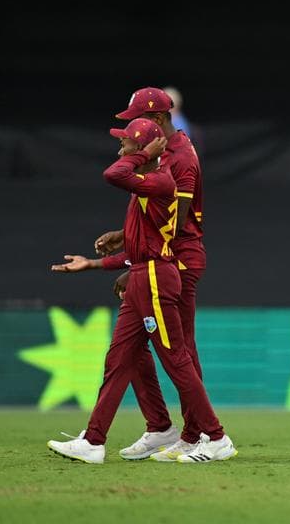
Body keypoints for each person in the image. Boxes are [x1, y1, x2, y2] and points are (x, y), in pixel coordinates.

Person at [46, 118, 235, 464]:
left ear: (144, 149)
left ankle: (217, 437)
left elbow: (113, 174)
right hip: (143, 276)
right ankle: (93, 440)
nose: (120, 149)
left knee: (176, 360)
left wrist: (144, 152)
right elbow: (138, 247)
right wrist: (90, 264)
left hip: (155, 280)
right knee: (119, 359)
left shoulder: (160, 182)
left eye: (125, 144)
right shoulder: (146, 185)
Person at [92, 86, 211, 461]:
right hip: (156, 260)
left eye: (137, 122)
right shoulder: (167, 152)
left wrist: (136, 265)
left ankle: (199, 436)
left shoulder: (181, 158)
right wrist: (126, 239)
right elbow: (155, 214)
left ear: (158, 121)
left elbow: (174, 227)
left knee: (180, 352)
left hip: (175, 261)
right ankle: (160, 427)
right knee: (132, 349)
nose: (132, 129)